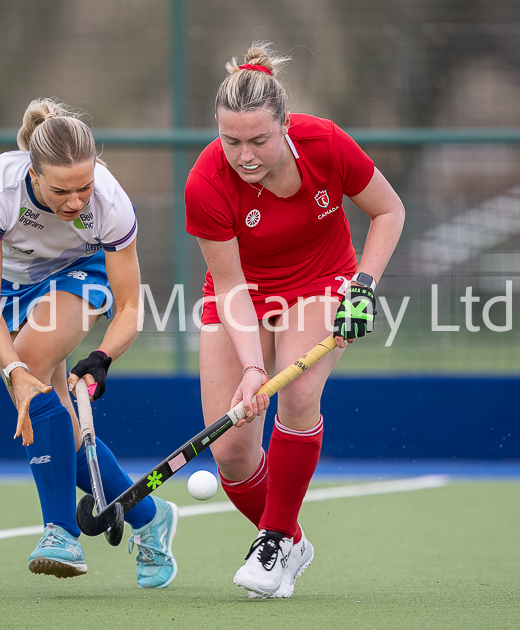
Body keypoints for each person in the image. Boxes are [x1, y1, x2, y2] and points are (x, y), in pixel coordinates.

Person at [185, 42, 405, 599]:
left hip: (323, 279)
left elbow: (388, 210)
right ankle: (290, 541)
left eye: (259, 139)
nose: (245, 155)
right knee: (232, 452)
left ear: (285, 124)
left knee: (300, 392)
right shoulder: (205, 183)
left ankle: (274, 540)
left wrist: (364, 287)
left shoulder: (325, 143)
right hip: (245, 292)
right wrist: (254, 367)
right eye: (230, 140)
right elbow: (231, 285)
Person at [0, 98, 178, 589]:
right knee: (51, 414)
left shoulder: (111, 204)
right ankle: (150, 516)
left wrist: (102, 358)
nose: (76, 201)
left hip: (81, 276)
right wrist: (10, 373)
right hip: (16, 292)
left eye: (85, 186)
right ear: (33, 175)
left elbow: (128, 308)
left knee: (35, 362)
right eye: (61, 190)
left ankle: (60, 532)